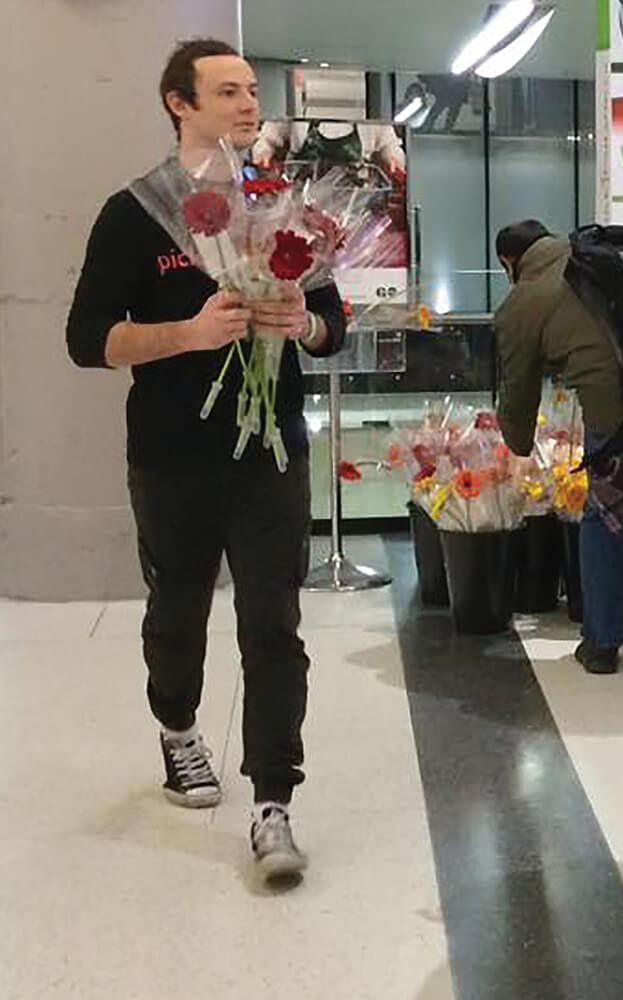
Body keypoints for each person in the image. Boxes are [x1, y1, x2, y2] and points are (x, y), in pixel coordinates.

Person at [65, 39, 348, 881]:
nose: (246, 102)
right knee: (177, 615)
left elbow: (333, 327)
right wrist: (188, 335)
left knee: (274, 626)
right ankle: (178, 727)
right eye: (227, 90)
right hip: (170, 457)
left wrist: (304, 326)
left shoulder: (284, 204)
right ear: (178, 103)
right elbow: (87, 341)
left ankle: (274, 801)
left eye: (252, 89)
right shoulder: (133, 214)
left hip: (270, 455)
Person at [493, 220, 623, 676]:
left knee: (604, 519)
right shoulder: (607, 254)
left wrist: (519, 443)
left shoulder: (522, 302)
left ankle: (602, 643)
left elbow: (517, 390)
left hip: (615, 415)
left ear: (509, 261)